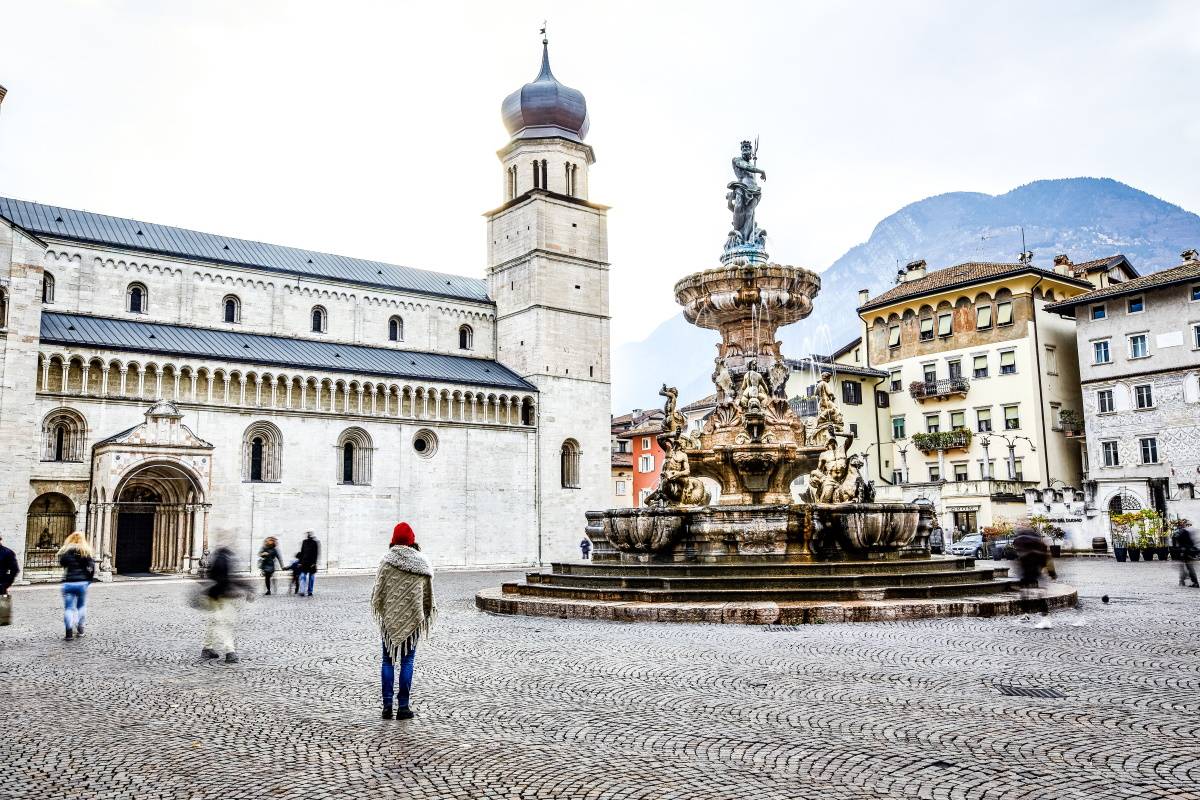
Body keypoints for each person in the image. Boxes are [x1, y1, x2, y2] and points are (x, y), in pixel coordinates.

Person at [371, 522, 436, 721]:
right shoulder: (422, 564)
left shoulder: (386, 561)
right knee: (407, 661)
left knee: (387, 661)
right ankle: (404, 707)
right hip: (413, 621)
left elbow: (378, 593)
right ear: (411, 540)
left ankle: (387, 706)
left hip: (389, 621)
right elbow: (427, 596)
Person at [200, 546, 255, 663]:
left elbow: (217, 577)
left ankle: (207, 648)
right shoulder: (223, 560)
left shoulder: (218, 558)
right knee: (226, 623)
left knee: (214, 621)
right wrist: (244, 589)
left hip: (214, 595)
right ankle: (230, 652)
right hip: (222, 596)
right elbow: (226, 579)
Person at [1013, 525, 1056, 629]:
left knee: (1032, 595)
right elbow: (1047, 559)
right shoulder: (1039, 544)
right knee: (1030, 594)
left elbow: (1021, 557)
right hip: (1034, 572)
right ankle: (1029, 615)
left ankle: (1043, 619)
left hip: (1030, 572)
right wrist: (1052, 573)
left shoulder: (1022, 542)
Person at [57, 532, 95, 640]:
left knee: (69, 608)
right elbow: (92, 568)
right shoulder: (85, 551)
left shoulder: (66, 551)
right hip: (82, 583)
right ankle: (80, 628)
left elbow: (62, 563)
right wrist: (89, 580)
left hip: (68, 582)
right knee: (81, 607)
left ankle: (68, 633)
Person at [1173, 520, 1199, 588]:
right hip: (1187, 551)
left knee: (1188, 567)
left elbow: (1178, 542)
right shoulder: (1185, 531)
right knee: (1186, 567)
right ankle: (1183, 580)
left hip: (1185, 551)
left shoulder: (1182, 532)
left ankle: (1189, 581)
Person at [298, 532, 319, 597]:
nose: (308, 535)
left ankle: (310, 591)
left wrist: (314, 563)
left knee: (311, 578)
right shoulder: (304, 542)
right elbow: (302, 552)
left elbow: (316, 554)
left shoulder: (315, 542)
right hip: (304, 562)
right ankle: (302, 591)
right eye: (308, 534)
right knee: (302, 576)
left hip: (312, 563)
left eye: (310, 534)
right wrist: (300, 562)